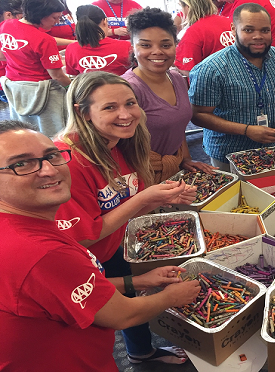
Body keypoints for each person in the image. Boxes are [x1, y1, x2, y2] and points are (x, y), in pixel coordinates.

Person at [0, 120, 201, 371]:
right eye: (21, 163)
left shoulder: (24, 229)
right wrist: (171, 297)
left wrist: (138, 281)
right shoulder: (41, 252)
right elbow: (123, 314)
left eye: (51, 155)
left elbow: (68, 292)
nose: (49, 170)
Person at [54, 71, 198, 365]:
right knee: (101, 324)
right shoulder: (68, 161)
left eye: (130, 103)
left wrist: (163, 198)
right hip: (84, 262)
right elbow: (85, 235)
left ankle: (141, 351)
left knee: (132, 298)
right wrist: (146, 199)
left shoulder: (123, 144)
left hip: (117, 245)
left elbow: (127, 207)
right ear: (83, 112)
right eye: (110, 107)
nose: (126, 114)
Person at [189, 3, 275, 171]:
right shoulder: (212, 68)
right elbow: (198, 115)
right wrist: (246, 130)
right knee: (236, 196)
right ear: (234, 29)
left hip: (274, 148)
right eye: (249, 30)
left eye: (264, 30)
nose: (258, 36)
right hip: (229, 154)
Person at [123, 7, 215, 183]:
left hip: (173, 169)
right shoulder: (128, 89)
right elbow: (117, 146)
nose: (157, 51)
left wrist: (185, 159)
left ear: (175, 45)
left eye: (165, 45)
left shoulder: (176, 78)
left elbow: (177, 126)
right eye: (146, 45)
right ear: (133, 47)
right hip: (140, 176)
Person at [0, 0, 70, 136]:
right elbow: (57, 76)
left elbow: (3, 55)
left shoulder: (6, 25)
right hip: (41, 91)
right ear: (41, 15)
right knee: (54, 130)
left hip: (15, 87)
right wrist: (72, 88)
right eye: (55, 18)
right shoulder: (44, 40)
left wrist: (20, 59)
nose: (57, 21)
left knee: (24, 127)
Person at [65, 4, 131, 75]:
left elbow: (74, 75)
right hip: (120, 85)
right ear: (104, 21)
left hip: (88, 85)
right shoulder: (126, 46)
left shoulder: (72, 49)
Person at [174, 0, 233, 77]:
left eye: (181, 8)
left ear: (188, 7)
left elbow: (188, 70)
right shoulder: (229, 22)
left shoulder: (194, 32)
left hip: (212, 85)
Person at [0, 0, 23, 103]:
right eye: (20, 17)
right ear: (8, 15)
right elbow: (3, 56)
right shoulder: (7, 29)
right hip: (9, 82)